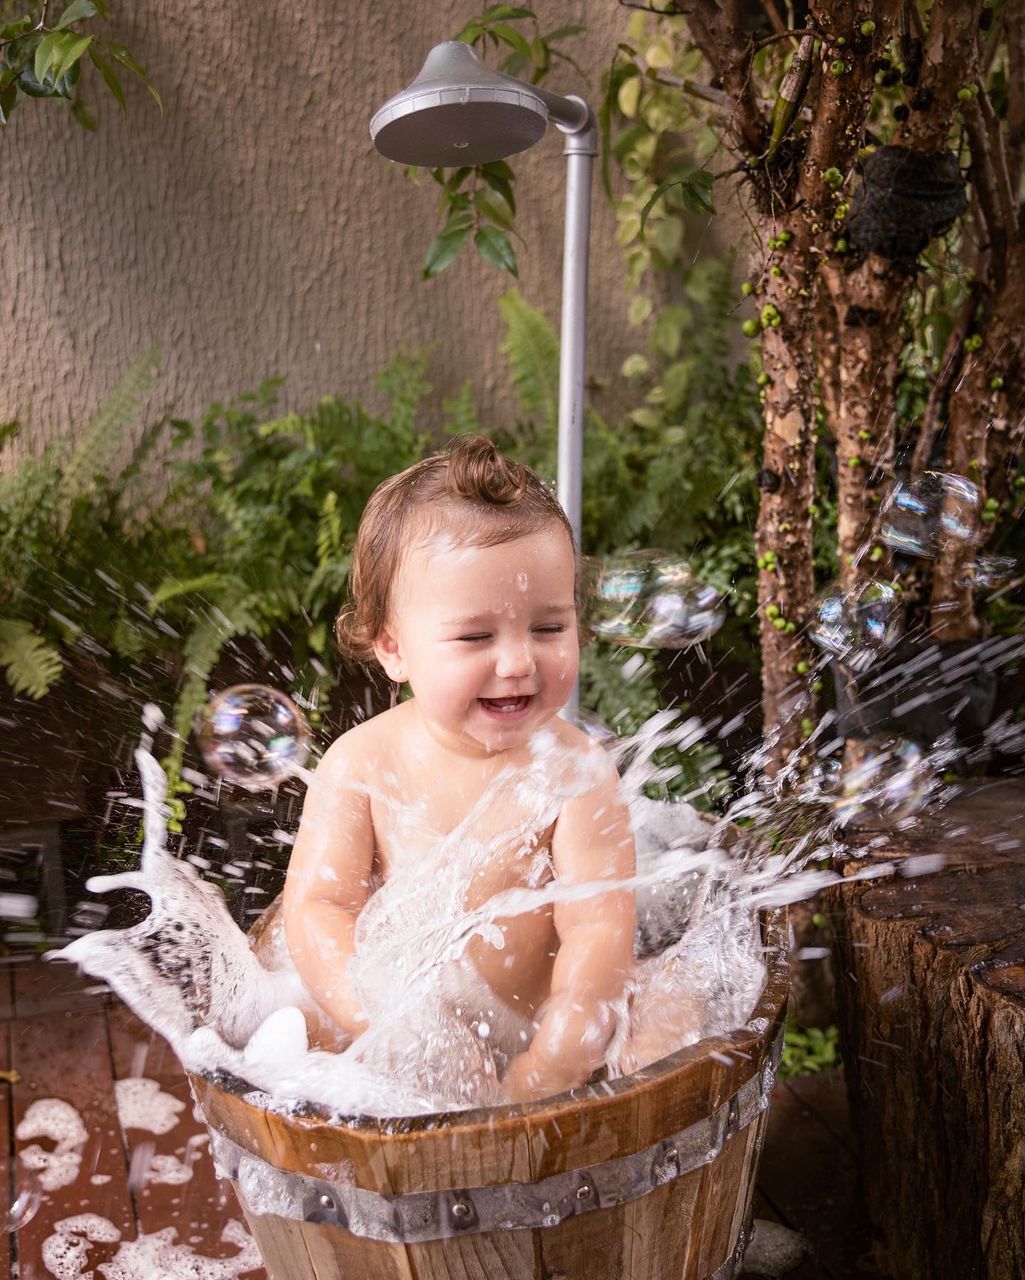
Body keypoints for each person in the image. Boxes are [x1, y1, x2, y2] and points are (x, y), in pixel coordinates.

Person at [282, 435, 636, 1104]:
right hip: (403, 1029)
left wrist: (558, 1055)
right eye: (476, 636)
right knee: (296, 1034)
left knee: (662, 1010)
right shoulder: (362, 763)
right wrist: (390, 1024)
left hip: (530, 1030)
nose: (517, 663)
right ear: (393, 647)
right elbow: (319, 908)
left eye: (548, 628)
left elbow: (599, 926)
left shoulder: (574, 773)